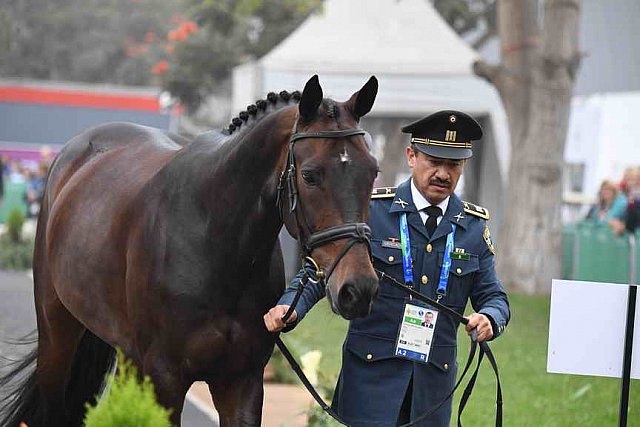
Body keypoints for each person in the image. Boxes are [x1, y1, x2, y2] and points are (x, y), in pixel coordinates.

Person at [264, 110, 510, 426]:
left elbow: (495, 297)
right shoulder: (373, 210)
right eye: (434, 161)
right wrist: (290, 307)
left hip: (431, 389)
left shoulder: (473, 228)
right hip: (371, 380)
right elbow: (320, 269)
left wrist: (490, 318)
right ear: (411, 156)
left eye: (453, 165)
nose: (443, 174)